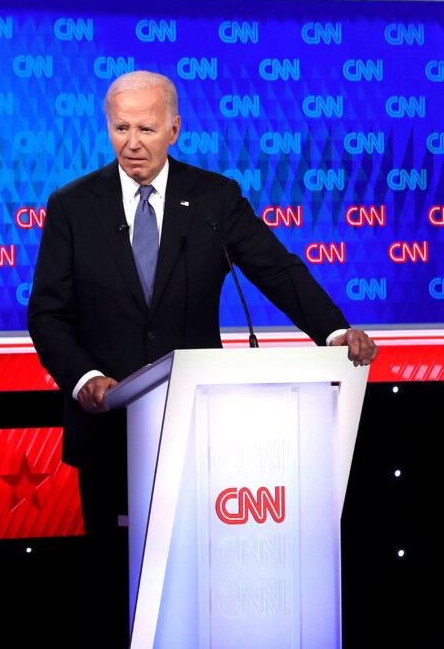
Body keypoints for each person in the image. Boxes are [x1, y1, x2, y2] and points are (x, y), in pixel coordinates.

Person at [26, 70, 378, 644]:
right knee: (116, 587)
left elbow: (276, 269)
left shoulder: (213, 199)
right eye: (120, 128)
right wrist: (85, 378)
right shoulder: (72, 206)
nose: (131, 142)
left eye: (145, 127)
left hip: (199, 429)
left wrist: (334, 332)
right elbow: (48, 314)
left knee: (197, 584)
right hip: (109, 428)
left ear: (174, 129)